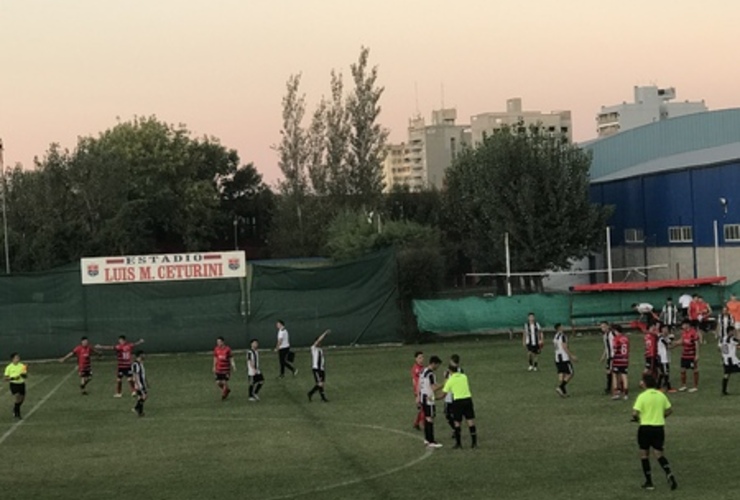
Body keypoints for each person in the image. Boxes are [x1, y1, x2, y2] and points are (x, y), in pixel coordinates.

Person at [631, 373, 678, 491]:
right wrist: (661, 416)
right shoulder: (661, 395)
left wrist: (637, 419)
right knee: (659, 454)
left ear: (645, 383)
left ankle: (649, 482)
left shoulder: (642, 396)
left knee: (644, 454)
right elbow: (670, 410)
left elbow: (634, 413)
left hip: (645, 428)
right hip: (658, 428)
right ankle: (669, 473)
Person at [440, 364, 477, 449]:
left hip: (458, 401)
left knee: (457, 423)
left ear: (450, 371)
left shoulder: (450, 380)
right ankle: (474, 443)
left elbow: (443, 395)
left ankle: (458, 443)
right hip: (468, 399)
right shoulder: (464, 376)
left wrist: (433, 397)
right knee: (470, 421)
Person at [418, 356, 443, 448]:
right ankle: (431, 440)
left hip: (422, 397)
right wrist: (445, 384)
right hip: (429, 398)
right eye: (437, 365)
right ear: (433, 363)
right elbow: (433, 388)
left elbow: (420, 384)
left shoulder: (423, 371)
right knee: (430, 418)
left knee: (427, 417)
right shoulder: (431, 374)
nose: (438, 367)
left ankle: (426, 439)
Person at [553, 323, 577, 397]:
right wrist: (571, 355)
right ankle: (561, 387)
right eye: (562, 326)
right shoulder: (563, 336)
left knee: (561, 373)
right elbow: (564, 347)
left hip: (557, 357)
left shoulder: (555, 336)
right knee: (570, 373)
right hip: (564, 357)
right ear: (559, 328)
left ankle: (563, 392)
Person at [676, 319, 700, 392]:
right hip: (684, 355)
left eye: (683, 325)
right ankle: (683, 385)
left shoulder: (693, 332)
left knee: (694, 370)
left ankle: (695, 386)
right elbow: (681, 341)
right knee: (683, 370)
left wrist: (697, 355)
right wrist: (672, 344)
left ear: (687, 324)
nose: (682, 326)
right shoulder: (683, 332)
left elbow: (697, 344)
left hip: (691, 355)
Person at [307, 329, 330, 402]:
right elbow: (318, 340)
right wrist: (325, 334)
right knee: (319, 383)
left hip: (321, 368)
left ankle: (314, 394)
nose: (320, 343)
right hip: (316, 369)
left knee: (321, 384)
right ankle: (314, 394)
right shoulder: (314, 348)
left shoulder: (320, 350)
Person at [442, 354, 463, 434]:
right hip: (449, 395)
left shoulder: (460, 371)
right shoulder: (447, 371)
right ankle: (456, 429)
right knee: (448, 414)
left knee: (455, 415)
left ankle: (456, 430)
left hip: (455, 395)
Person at [4, 353, 27, 420]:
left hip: (21, 384)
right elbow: (6, 378)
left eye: (18, 357)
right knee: (17, 396)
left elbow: (25, 375)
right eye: (16, 358)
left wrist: (23, 375)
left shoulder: (22, 365)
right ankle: (17, 413)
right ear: (12, 359)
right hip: (14, 384)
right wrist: (13, 378)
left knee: (22, 399)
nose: (18, 359)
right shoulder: (9, 367)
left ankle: (15, 408)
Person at [719, 326, 740, 395]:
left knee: (726, 374)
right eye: (733, 331)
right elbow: (738, 342)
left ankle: (724, 390)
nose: (734, 332)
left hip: (725, 360)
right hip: (732, 360)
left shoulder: (722, 338)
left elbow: (720, 347)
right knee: (727, 374)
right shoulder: (732, 339)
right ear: (730, 331)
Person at [611, 324, 630, 400]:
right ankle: (625, 394)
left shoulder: (616, 338)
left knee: (615, 375)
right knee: (624, 376)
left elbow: (615, 349)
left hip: (617, 359)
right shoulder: (626, 338)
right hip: (625, 359)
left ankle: (616, 393)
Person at [657, 324, 676, 393]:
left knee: (662, 373)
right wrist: (673, 342)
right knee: (665, 373)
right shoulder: (661, 337)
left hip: (666, 358)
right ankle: (668, 387)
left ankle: (658, 386)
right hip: (662, 358)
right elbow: (668, 345)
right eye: (664, 329)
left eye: (667, 329)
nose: (665, 330)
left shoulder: (666, 337)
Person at [599, 322, 615, 395]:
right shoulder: (604, 336)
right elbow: (606, 347)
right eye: (602, 327)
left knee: (610, 372)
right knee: (609, 372)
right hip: (609, 356)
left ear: (608, 326)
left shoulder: (612, 334)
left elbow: (613, 345)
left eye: (604, 326)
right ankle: (612, 387)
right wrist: (603, 356)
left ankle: (610, 388)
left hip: (613, 356)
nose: (603, 328)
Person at [410, 351, 425, 431]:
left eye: (422, 357)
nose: (421, 359)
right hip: (419, 391)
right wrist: (417, 393)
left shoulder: (422, 367)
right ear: (416, 359)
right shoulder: (416, 369)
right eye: (419, 358)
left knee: (421, 409)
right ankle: (423, 424)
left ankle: (416, 423)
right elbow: (415, 381)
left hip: (422, 390)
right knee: (424, 409)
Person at [131, 351, 148, 417]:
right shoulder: (135, 364)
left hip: (142, 383)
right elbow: (135, 375)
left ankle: (139, 410)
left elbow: (143, 374)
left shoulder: (140, 363)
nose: (144, 356)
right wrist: (138, 385)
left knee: (140, 397)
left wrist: (146, 382)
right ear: (140, 355)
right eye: (143, 355)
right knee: (144, 396)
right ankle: (137, 409)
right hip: (139, 383)